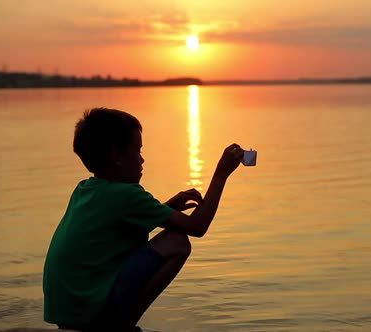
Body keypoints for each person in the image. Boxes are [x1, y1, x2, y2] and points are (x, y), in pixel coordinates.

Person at [42, 107, 244, 331]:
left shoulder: (86, 189)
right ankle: (123, 326)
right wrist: (221, 173)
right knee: (177, 242)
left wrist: (167, 207)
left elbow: (124, 225)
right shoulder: (126, 195)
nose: (142, 159)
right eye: (137, 151)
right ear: (117, 157)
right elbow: (197, 227)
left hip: (69, 310)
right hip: (91, 309)